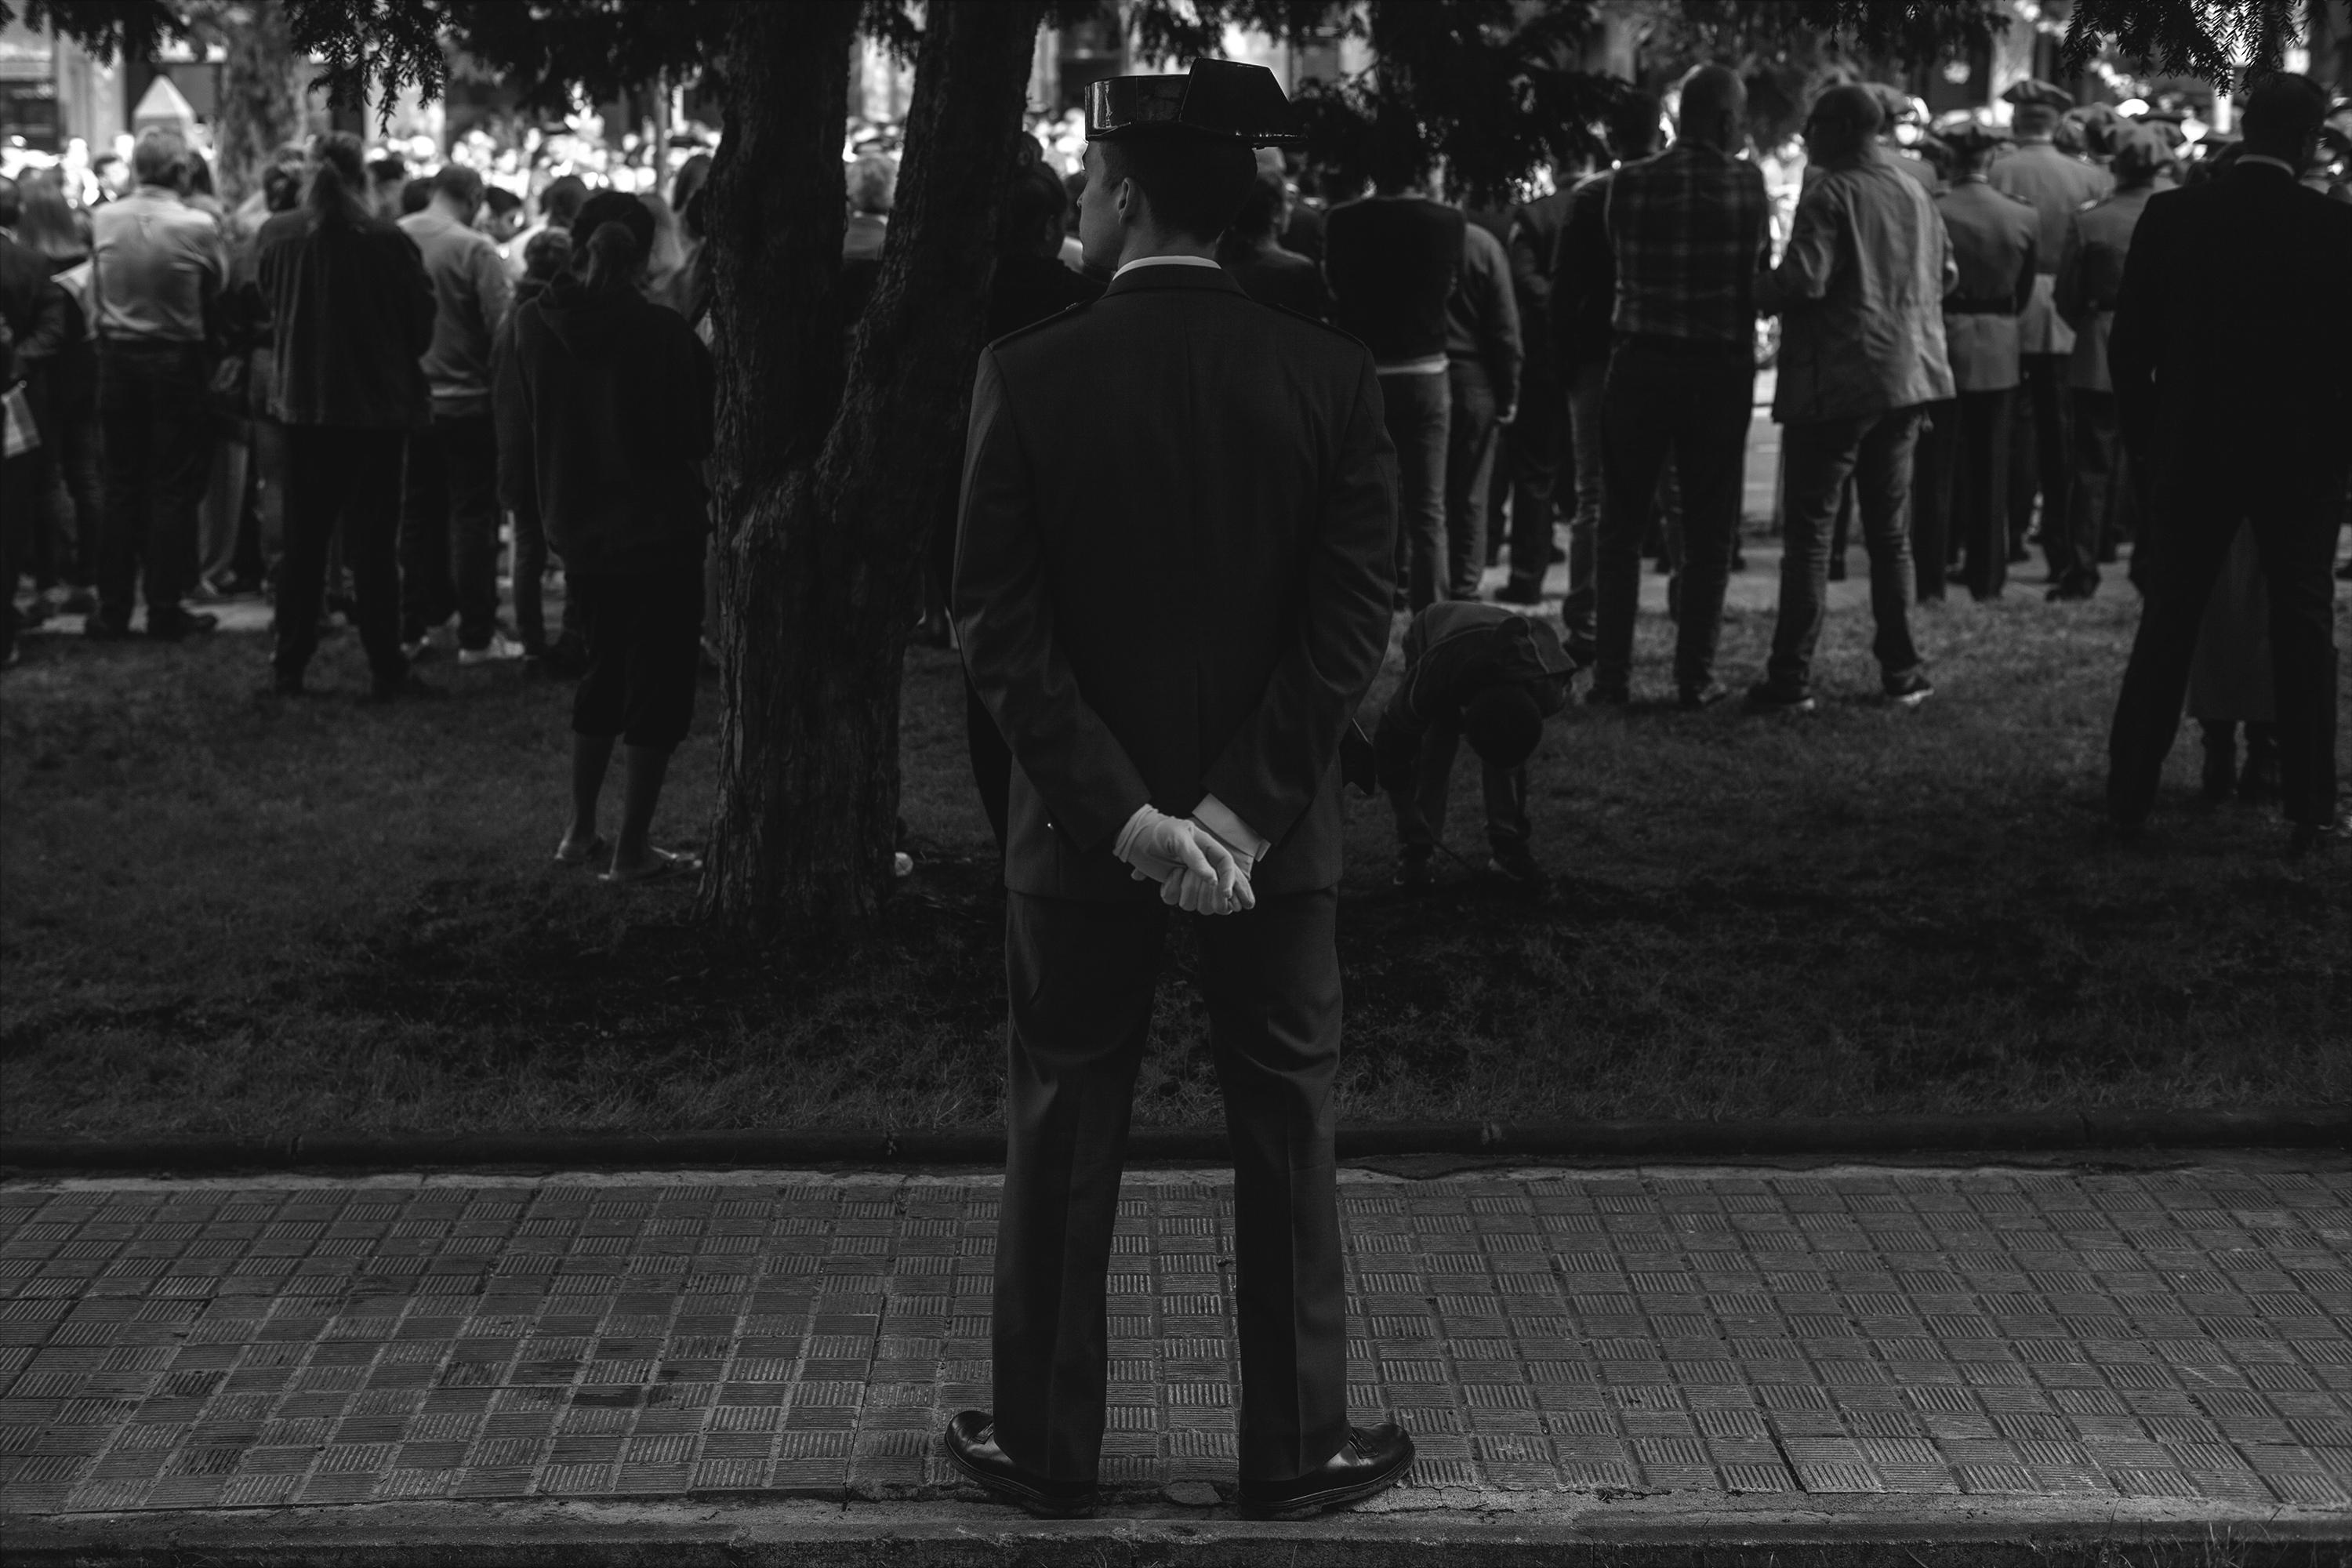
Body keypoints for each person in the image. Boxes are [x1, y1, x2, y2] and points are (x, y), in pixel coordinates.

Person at [949, 60, 1409, 1523]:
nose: (1080, 206)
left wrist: (1126, 816)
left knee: (1063, 1119)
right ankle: (1293, 1447)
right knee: (1287, 1122)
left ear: (1132, 194)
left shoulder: (1027, 370)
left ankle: (1046, 1446)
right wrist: (1241, 812)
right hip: (1275, 840)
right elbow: (1351, 619)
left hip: (1078, 834)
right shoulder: (1328, 375)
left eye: (1091, 183)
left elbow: (996, 623)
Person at [2104, 74, 2352, 855]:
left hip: (2195, 446)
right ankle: (2310, 804)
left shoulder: (2175, 215)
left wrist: (2150, 439)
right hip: (2300, 455)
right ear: (2308, 141)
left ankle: (2129, 794)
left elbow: (2129, 345)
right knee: (2303, 625)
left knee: (2170, 619)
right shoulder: (2335, 228)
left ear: (2246, 127)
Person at [499, 191, 714, 883]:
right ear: (645, 255)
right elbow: (697, 432)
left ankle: (579, 830)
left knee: (601, 672)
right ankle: (632, 848)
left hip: (580, 529)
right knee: (659, 685)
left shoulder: (534, 323)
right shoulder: (662, 332)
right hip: (660, 529)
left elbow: (527, 417)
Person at [1750, 83, 1953, 713]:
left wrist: (1753, 288)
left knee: (1812, 534)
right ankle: (1903, 673)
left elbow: (1805, 279)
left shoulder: (1831, 191)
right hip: (1908, 378)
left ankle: (1790, 679)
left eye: (1812, 123)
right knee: (1890, 535)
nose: (1805, 134)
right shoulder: (1915, 191)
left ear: (1839, 128)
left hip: (1840, 381)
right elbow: (1947, 274)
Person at [1588, 67, 1768, 710]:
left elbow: (1618, 255)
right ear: (1725, 120)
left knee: (1620, 527)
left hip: (1639, 363)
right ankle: (1694, 678)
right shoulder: (1747, 183)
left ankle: (1611, 678)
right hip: (1717, 370)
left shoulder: (1629, 181)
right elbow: (1758, 270)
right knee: (1708, 529)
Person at [946, 162, 1105, 839]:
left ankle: (1009, 827)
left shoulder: (955, 306)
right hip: (1066, 503)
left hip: (965, 497)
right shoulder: (1085, 303)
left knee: (986, 669)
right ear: (1048, 228)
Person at [256, 132, 436, 700]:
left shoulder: (278, 235)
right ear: (362, 178)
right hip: (375, 409)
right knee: (375, 547)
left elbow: (267, 304)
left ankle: (289, 663)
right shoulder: (387, 241)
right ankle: (386, 664)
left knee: (304, 545)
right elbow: (420, 325)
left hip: (304, 407)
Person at [86, 127, 226, 641]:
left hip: (118, 358)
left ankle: (113, 608)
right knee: (172, 486)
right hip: (175, 357)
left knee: (120, 485)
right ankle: (165, 606)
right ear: (181, 171)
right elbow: (218, 284)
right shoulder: (198, 225)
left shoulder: (104, 218)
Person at [1323, 118, 1463, 611]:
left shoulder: (1342, 221)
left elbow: (1334, 288)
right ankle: (1431, 614)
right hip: (1426, 370)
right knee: (1429, 508)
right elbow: (1449, 288)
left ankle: (1370, 610)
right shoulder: (1447, 221)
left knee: (1370, 505)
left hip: (1366, 370)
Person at [1549, 92, 1664, 662]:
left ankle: (1588, 623)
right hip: (1657, 351)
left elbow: (1563, 289)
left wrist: (1564, 364)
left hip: (1596, 356)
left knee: (1593, 495)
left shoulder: (1592, 196)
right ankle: (1680, 612)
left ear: (1612, 140)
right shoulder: (1670, 191)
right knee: (1670, 490)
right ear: (1659, 135)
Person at [1987, 79, 2111, 588]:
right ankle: (2062, 550)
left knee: (2008, 431)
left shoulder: (1995, 169)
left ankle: (2006, 538)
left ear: (2018, 122)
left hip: (2008, 311)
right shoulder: (2088, 177)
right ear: (2056, 124)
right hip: (2065, 313)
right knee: (2061, 438)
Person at [1911, 123, 2035, 603]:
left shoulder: (1932, 208)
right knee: (1992, 469)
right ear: (1990, 160)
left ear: (1950, 159)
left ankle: (1930, 579)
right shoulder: (2021, 214)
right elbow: (2023, 291)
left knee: (1934, 471)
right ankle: (1988, 578)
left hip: (1942, 342)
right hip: (1999, 346)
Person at [1374, 601, 1574, 897]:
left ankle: (1508, 847)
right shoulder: (1435, 675)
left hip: (1497, 637)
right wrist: (1405, 811)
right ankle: (1417, 850)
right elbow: (1393, 736)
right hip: (1437, 631)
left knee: (1506, 752)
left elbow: (1511, 735)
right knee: (1435, 744)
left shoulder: (1548, 688)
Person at [2054, 128, 2164, 593]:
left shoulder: (2091, 220)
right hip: (2160, 352)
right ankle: (2148, 564)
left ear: (2115, 167)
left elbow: (2067, 295)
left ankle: (2082, 568)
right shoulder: (2175, 214)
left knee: (2090, 466)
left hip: (2100, 344)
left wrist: (2092, 323)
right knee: (2153, 466)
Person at [1494, 157, 1581, 611]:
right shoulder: (1609, 202)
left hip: (1542, 358)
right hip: (1595, 356)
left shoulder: (1535, 216)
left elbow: (1523, 279)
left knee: (1533, 475)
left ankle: (1527, 577)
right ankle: (1590, 586)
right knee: (1593, 480)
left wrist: (1557, 303)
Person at [1441, 210, 1521, 600]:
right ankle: (1465, 587)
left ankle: (1413, 581)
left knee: (1418, 494)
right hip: (1474, 377)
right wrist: (1509, 391)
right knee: (1471, 492)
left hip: (1417, 368)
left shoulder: (1408, 238)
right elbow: (1504, 328)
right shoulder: (1482, 245)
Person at [1215, 166, 1327, 319]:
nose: (1290, 208)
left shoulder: (1219, 266)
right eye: (1288, 201)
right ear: (1274, 211)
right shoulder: (1297, 271)